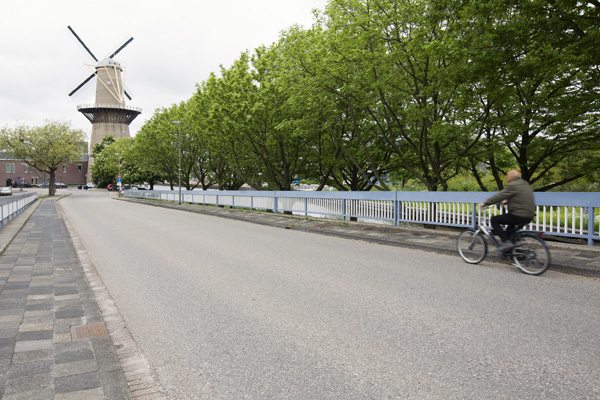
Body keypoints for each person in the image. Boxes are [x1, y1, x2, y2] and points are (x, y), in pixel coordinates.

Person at [479, 170, 535, 251]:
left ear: (511, 177)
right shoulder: (525, 184)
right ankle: (510, 254)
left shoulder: (513, 185)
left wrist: (485, 203)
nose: (506, 178)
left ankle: (506, 242)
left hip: (519, 215)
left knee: (494, 220)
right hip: (529, 215)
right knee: (509, 232)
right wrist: (507, 201)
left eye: (507, 176)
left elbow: (500, 196)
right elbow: (520, 197)